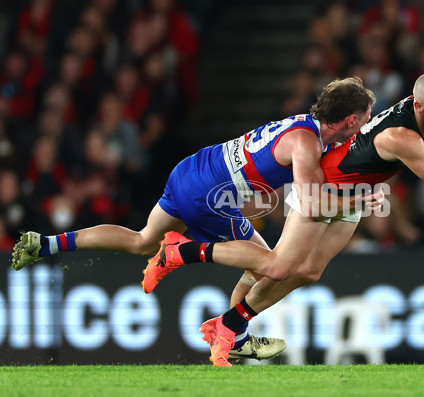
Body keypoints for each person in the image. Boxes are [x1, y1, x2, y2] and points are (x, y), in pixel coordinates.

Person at [143, 72, 424, 367]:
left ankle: (227, 324)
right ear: (418, 105)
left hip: (356, 194)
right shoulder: (400, 137)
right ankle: (184, 252)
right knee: (281, 265)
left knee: (309, 272)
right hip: (325, 189)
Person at [10, 76, 376, 361]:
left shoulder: (303, 126)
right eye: (363, 121)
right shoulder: (308, 144)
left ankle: (45, 243)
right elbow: (311, 201)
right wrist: (363, 197)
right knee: (270, 266)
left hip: (192, 169)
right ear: (349, 119)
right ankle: (213, 302)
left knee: (141, 241)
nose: (363, 128)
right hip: (209, 196)